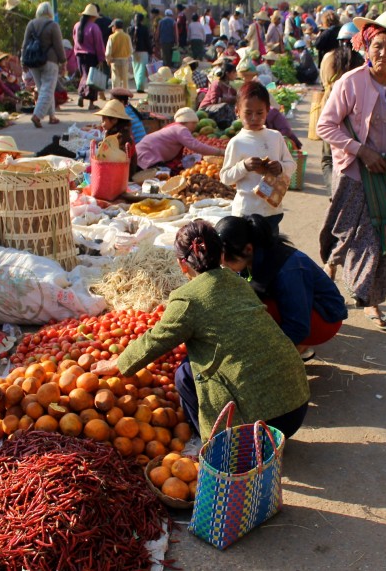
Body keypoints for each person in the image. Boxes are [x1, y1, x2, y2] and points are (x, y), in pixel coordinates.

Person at [90, 221, 310, 439]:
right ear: (222, 255)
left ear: (181, 264)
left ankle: (216, 444)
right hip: (296, 407)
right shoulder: (239, 282)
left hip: (260, 426)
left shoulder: (187, 299)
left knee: (185, 374)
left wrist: (116, 364)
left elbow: (154, 341)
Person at [316, 10, 386, 331]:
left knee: (380, 239)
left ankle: (371, 301)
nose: (383, 54)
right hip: (353, 174)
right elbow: (326, 125)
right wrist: (362, 151)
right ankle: (329, 273)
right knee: (344, 233)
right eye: (377, 45)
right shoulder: (350, 82)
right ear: (366, 45)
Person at [217, 214, 347, 361]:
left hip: (325, 320)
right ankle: (296, 348)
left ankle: (299, 348)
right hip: (305, 309)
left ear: (248, 249)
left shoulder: (288, 270)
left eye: (226, 261)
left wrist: (265, 356)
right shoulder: (254, 255)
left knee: (256, 308)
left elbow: (298, 327)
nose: (223, 266)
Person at [220, 82, 295, 232]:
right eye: (248, 113)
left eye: (260, 113)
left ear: (268, 111)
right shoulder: (237, 142)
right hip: (246, 212)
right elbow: (225, 177)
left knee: (270, 252)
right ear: (237, 111)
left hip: (272, 211)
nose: (254, 118)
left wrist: (280, 167)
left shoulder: (275, 137)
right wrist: (243, 166)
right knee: (250, 254)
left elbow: (291, 165)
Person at [316, 22, 365, 191]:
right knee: (350, 155)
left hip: (330, 109)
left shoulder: (328, 58)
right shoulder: (361, 62)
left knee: (328, 158)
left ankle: (334, 191)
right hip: (355, 113)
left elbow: (323, 82)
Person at [135, 107, 223, 172]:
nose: (195, 126)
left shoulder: (174, 128)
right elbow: (196, 146)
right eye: (193, 123)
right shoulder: (181, 129)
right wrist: (220, 152)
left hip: (142, 152)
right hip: (147, 155)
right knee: (164, 176)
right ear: (185, 121)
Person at [23, 2, 66, 127]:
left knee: (44, 89)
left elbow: (25, 45)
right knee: (48, 89)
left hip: (33, 61)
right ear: (50, 13)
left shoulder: (31, 24)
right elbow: (59, 46)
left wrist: (23, 62)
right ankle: (37, 115)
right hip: (50, 61)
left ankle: (52, 116)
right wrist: (63, 62)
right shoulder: (53, 25)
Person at [72, 3, 105, 112]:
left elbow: (74, 41)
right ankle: (90, 103)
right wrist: (101, 59)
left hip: (79, 56)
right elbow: (99, 44)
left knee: (84, 76)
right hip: (91, 56)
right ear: (93, 16)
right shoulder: (94, 27)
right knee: (92, 80)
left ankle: (81, 94)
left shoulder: (77, 26)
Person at [96, 99, 138, 177]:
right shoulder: (115, 132)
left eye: (104, 120)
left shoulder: (121, 137)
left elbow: (114, 160)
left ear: (114, 120)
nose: (102, 124)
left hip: (124, 176)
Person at [200, 60, 239, 128]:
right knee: (225, 106)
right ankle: (229, 126)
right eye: (234, 72)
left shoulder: (231, 88)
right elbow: (214, 100)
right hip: (207, 110)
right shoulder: (216, 84)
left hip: (220, 110)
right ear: (227, 73)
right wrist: (230, 99)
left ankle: (234, 126)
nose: (236, 74)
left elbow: (236, 99)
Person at [105, 18, 133, 92]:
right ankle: (125, 96)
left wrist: (108, 60)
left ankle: (115, 95)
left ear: (114, 26)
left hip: (115, 61)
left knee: (115, 80)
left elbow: (108, 52)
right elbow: (131, 50)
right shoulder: (127, 36)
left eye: (112, 27)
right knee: (124, 80)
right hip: (124, 60)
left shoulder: (111, 37)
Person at [129, 12, 152, 92]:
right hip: (143, 52)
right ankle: (140, 87)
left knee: (136, 69)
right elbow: (147, 41)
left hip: (134, 52)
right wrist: (151, 51)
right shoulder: (145, 29)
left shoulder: (130, 29)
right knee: (142, 70)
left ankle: (138, 85)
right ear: (142, 20)